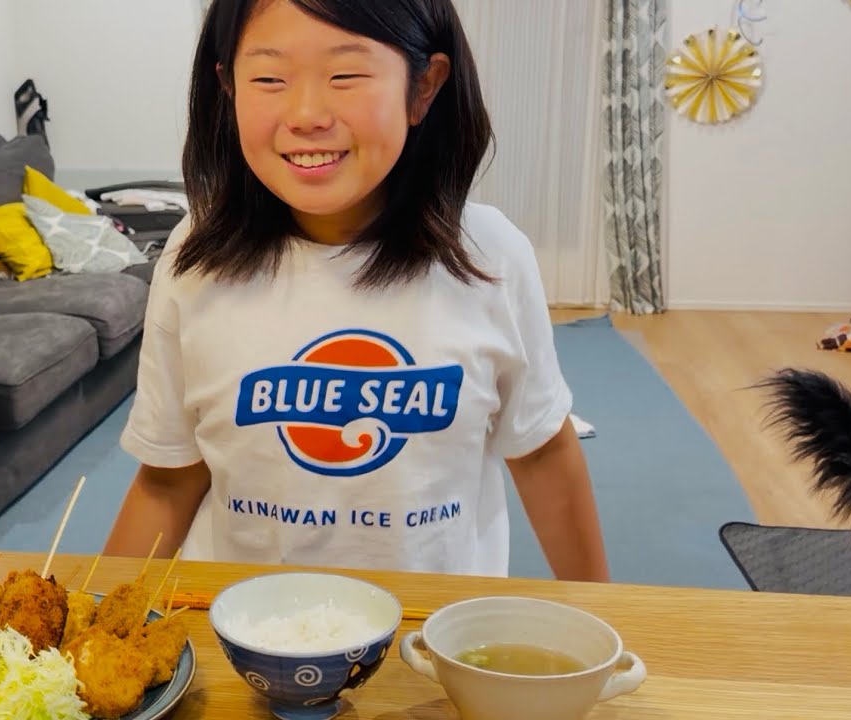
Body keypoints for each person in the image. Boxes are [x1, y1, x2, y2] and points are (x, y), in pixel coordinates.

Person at [104, 0, 611, 581]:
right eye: (269, 79)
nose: (306, 114)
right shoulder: (196, 256)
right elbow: (169, 477)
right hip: (242, 623)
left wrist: (604, 612)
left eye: (345, 74)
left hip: (431, 626)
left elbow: (542, 450)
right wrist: (95, 617)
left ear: (423, 87)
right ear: (228, 88)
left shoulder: (489, 256)